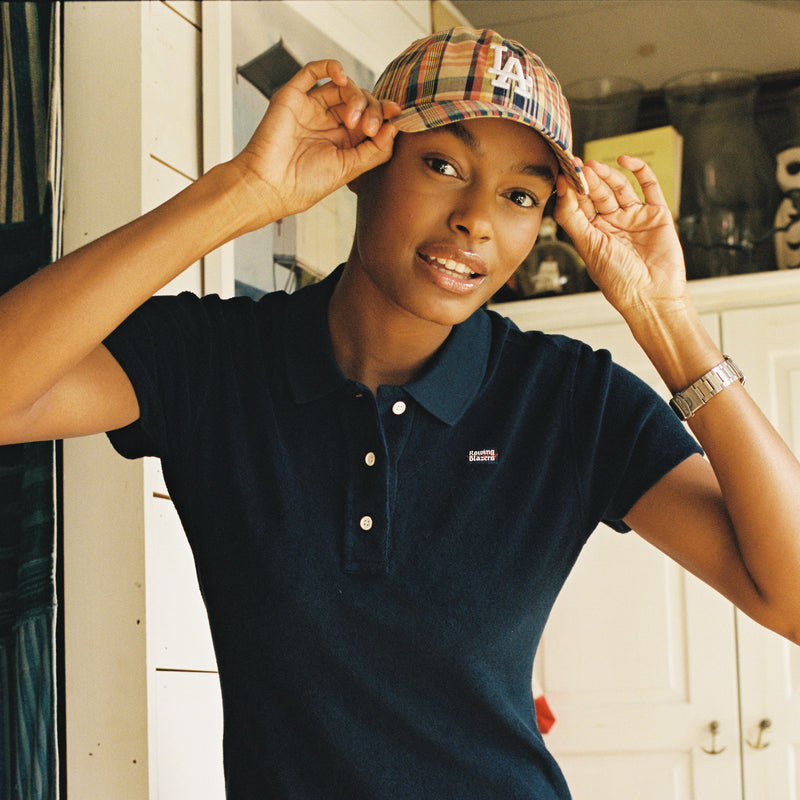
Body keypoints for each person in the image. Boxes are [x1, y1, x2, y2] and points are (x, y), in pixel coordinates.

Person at [1, 25, 799, 799]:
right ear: (369, 162)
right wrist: (244, 192)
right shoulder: (215, 363)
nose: (476, 218)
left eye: (520, 195)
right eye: (444, 164)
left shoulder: (568, 401)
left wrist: (666, 319)